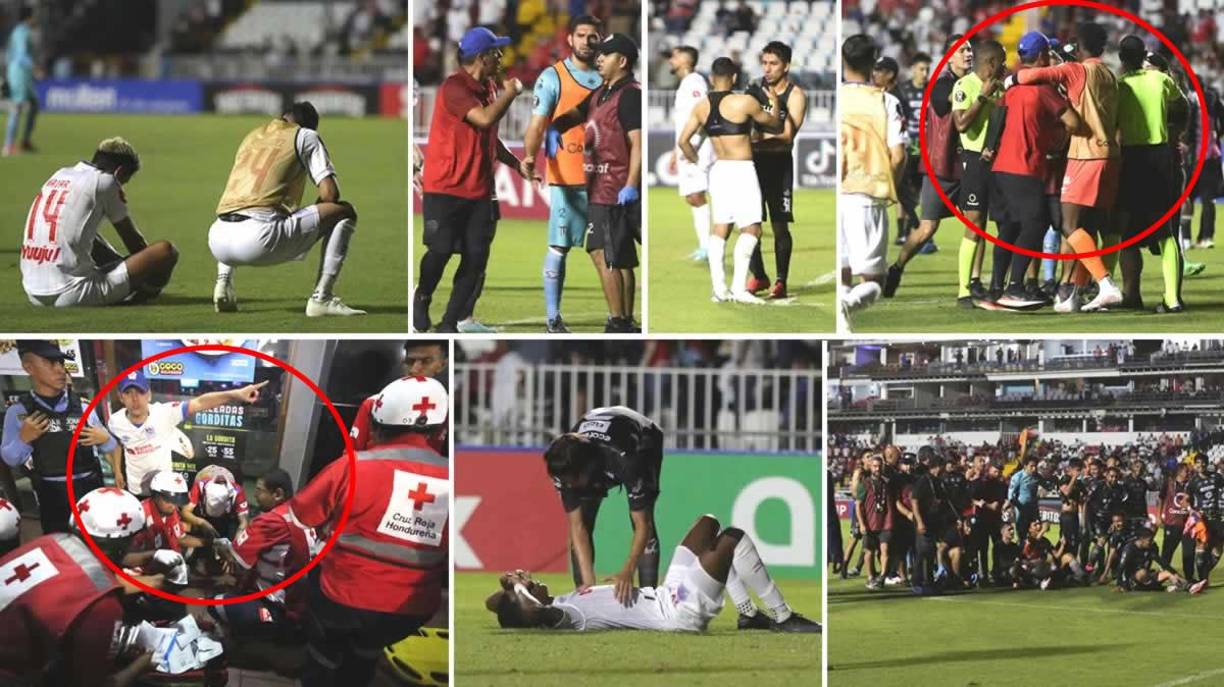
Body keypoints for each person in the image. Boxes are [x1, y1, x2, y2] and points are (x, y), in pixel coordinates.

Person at [290, 376, 449, 687]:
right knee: (364, 656)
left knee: (324, 655)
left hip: (342, 602)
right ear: (438, 429)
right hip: (412, 610)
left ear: (376, 424)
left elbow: (302, 515)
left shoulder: (352, 466)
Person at [487, 515, 819, 632]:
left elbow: (494, 605)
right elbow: (531, 611)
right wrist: (518, 587)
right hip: (676, 612)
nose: (530, 580)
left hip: (663, 592)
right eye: (528, 585)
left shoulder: (563, 598)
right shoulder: (564, 615)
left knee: (708, 523)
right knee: (732, 539)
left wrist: (507, 585)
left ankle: (747, 615)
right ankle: (783, 615)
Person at [414, 27, 537, 334]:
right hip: (445, 187)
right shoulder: (454, 87)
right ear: (482, 57)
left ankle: (449, 323)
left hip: (480, 190)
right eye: (496, 52)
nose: (501, 57)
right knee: (440, 252)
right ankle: (423, 295)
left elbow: (491, 137)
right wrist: (511, 93)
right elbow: (483, 119)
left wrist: (516, 164)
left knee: (476, 258)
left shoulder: (491, 88)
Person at [1007, 21, 1124, 313]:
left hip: (1085, 155)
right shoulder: (1110, 75)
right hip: (1111, 155)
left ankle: (1106, 285)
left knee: (1069, 224)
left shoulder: (1077, 70)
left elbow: (1036, 74)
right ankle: (1074, 295)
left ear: (1080, 46)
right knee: (1089, 226)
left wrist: (1011, 81)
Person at [210, 101, 364, 316]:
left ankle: (223, 285)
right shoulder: (305, 136)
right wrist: (318, 213)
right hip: (258, 239)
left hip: (218, 239)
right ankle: (322, 299)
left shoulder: (252, 136)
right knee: (344, 211)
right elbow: (330, 194)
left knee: (239, 203)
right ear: (308, 126)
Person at [0, 487, 159, 686]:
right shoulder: (103, 604)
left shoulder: (54, 541)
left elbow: (94, 565)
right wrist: (139, 666)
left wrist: (148, 556)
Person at [549, 33, 644, 333]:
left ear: (623, 61)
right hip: (600, 186)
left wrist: (630, 183)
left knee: (603, 254)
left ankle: (618, 320)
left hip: (612, 188)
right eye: (599, 53)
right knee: (620, 257)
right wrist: (554, 127)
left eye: (607, 54)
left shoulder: (629, 94)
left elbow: (637, 143)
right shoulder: (603, 91)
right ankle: (625, 319)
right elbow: (575, 114)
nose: (599, 58)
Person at [20, 138, 179, 307]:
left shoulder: (60, 174)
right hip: (74, 291)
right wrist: (144, 272)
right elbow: (134, 243)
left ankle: (122, 282)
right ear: (119, 172)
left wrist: (118, 264)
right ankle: (140, 297)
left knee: (87, 234)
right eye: (125, 181)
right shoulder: (106, 181)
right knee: (165, 251)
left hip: (33, 290)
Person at [985, 31, 1081, 308]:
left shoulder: (1011, 87)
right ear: (1042, 56)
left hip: (1000, 166)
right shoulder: (1043, 88)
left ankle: (994, 289)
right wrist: (1057, 135)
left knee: (1009, 228)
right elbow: (1074, 123)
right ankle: (1015, 288)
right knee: (1035, 225)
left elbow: (999, 117)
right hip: (1025, 166)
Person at [523, 15, 605, 334]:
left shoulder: (608, 77)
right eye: (581, 35)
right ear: (570, 39)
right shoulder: (552, 77)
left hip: (605, 178)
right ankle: (553, 317)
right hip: (567, 179)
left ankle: (619, 316)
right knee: (559, 247)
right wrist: (529, 156)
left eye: (592, 36)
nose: (586, 41)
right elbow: (536, 124)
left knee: (611, 250)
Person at [678, 56, 782, 304]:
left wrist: (697, 162)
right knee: (752, 228)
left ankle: (719, 290)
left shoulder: (701, 106)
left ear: (712, 78)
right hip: (742, 169)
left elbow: (683, 141)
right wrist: (774, 101)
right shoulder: (743, 102)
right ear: (734, 77)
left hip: (718, 170)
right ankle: (739, 289)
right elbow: (775, 123)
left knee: (720, 229)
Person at [541, 406, 670, 607]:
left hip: (644, 439)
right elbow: (578, 528)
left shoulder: (628, 460)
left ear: (585, 469)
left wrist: (627, 570)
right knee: (585, 517)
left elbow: (643, 526)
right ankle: (583, 598)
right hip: (598, 436)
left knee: (643, 520)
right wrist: (589, 585)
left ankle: (650, 599)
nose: (568, 487)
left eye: (572, 481)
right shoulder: (563, 465)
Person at [883, 36, 972, 299]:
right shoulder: (940, 83)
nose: (968, 53)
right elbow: (945, 106)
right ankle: (896, 268)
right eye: (961, 49)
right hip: (941, 166)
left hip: (968, 167)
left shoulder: (972, 82)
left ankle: (969, 287)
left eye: (969, 49)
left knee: (974, 224)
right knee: (926, 229)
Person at [1, 341, 118, 534]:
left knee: (98, 540)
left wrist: (105, 439)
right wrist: (24, 439)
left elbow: (110, 446)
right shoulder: (19, 411)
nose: (60, 370)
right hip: (52, 494)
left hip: (89, 489)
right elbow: (10, 458)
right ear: (28, 367)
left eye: (61, 363)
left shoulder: (82, 406)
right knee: (60, 546)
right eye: (50, 363)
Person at [1114, 34, 1189, 313]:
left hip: (1132, 159)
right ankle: (1172, 299)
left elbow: (1112, 123)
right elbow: (1182, 105)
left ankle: (1131, 294)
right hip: (1160, 158)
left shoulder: (1119, 86)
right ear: (1144, 54)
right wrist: (1175, 133)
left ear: (1122, 59)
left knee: (1129, 234)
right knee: (1165, 231)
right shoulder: (1161, 80)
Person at [107, 369, 267, 495]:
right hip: (136, 488)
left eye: (140, 392)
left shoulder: (164, 413)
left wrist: (235, 394)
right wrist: (117, 471)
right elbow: (115, 444)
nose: (135, 399)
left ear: (148, 395)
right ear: (121, 397)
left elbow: (199, 402)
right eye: (128, 393)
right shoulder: (115, 422)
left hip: (164, 489)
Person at [839, 34, 904, 325]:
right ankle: (846, 309)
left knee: (842, 270)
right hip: (867, 192)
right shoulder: (886, 101)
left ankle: (842, 323)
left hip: (837, 193)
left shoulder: (836, 98)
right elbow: (899, 156)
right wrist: (893, 185)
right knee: (874, 281)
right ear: (872, 62)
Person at [213, 468, 317, 638]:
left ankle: (263, 644)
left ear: (277, 494)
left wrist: (219, 545)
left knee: (215, 603)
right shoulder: (303, 511)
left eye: (260, 490)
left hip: (282, 606)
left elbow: (236, 560)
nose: (255, 495)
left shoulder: (271, 521)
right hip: (305, 601)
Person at [745, 41, 808, 299]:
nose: (767, 69)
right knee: (751, 223)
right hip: (753, 165)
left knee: (780, 226)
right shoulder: (753, 90)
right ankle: (759, 276)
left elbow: (787, 136)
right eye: (765, 63)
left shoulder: (795, 95)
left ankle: (781, 281)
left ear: (786, 65)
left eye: (773, 63)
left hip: (779, 165)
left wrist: (756, 138)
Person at [950, 39, 1005, 306]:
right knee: (974, 224)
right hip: (974, 161)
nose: (1005, 66)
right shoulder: (964, 85)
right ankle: (964, 291)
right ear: (991, 63)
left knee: (1002, 224)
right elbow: (960, 124)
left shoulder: (999, 87)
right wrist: (983, 96)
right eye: (1002, 61)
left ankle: (994, 285)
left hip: (999, 160)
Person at [349, 340, 449, 453]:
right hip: (377, 468)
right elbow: (350, 454)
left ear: (442, 365)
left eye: (426, 361)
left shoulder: (448, 406)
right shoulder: (375, 402)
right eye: (410, 361)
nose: (414, 369)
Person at [668, 45, 714, 263]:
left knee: (696, 195)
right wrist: (674, 152)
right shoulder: (686, 83)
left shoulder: (694, 81)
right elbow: (685, 121)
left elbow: (702, 113)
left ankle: (708, 246)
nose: (671, 60)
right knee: (692, 197)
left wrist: (691, 145)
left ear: (685, 61)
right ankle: (705, 244)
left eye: (675, 56)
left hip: (695, 149)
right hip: (687, 147)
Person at [896, 52, 933, 247]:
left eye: (927, 69)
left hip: (926, 148)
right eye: (921, 69)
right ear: (912, 69)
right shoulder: (903, 90)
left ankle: (912, 229)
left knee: (918, 192)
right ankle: (901, 232)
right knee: (903, 189)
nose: (925, 73)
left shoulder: (932, 90)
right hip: (908, 145)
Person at [129, 470, 207, 555]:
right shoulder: (140, 517)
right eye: (168, 500)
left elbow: (180, 538)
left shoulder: (171, 511)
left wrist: (211, 542)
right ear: (155, 496)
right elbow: (129, 557)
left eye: (176, 501)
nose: (173, 505)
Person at [3, 6, 38, 157]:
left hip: (22, 73)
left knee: (34, 104)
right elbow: (21, 55)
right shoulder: (21, 32)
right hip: (18, 73)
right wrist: (35, 68)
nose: (36, 19)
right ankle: (8, 146)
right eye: (34, 16)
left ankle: (24, 141)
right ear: (29, 17)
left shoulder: (21, 31)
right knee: (16, 107)